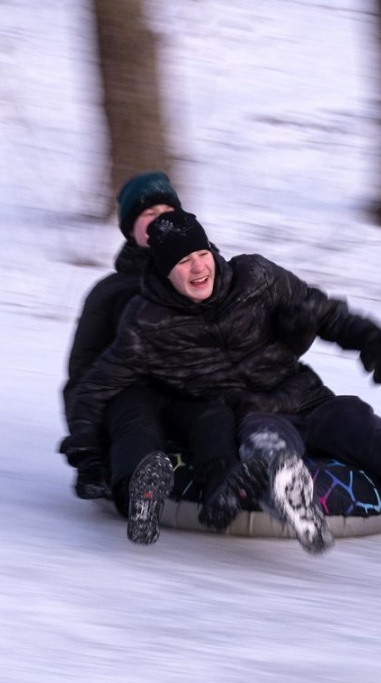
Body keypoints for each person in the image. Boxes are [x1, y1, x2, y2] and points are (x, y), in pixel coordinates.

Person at [63, 209, 381, 558]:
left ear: (211, 250)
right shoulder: (146, 321)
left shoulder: (254, 277)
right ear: (164, 271)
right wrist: (90, 454)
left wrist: (368, 340)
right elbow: (98, 385)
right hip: (246, 412)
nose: (196, 268)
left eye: (199, 255)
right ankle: (284, 493)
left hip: (308, 396)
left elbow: (318, 308)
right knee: (267, 444)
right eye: (181, 263)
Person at [61, 172, 253, 544]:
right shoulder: (111, 292)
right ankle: (137, 493)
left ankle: (224, 489)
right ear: (130, 229)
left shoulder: (204, 277)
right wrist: (85, 444)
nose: (159, 217)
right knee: (135, 424)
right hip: (126, 387)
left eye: (167, 209)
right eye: (147, 213)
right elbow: (83, 369)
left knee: (212, 418)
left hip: (189, 387)